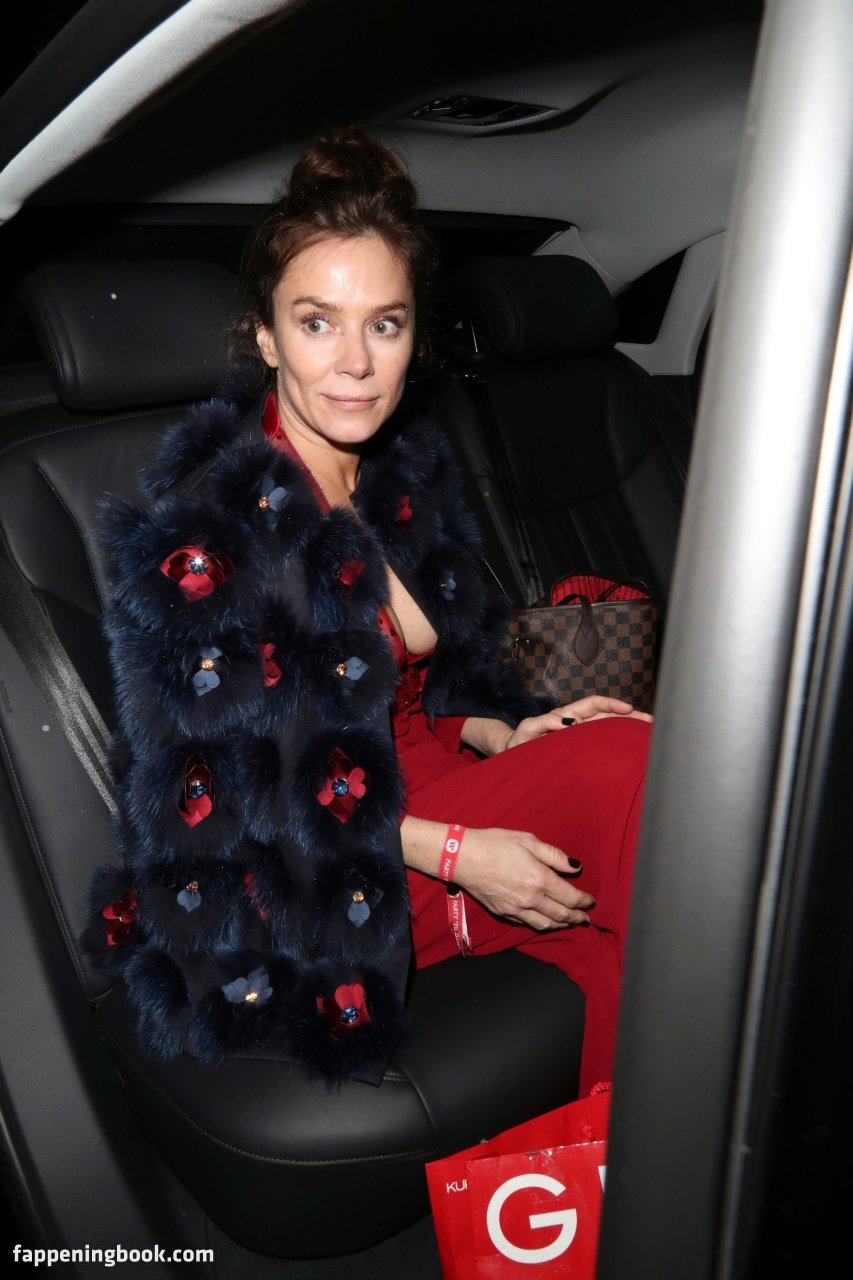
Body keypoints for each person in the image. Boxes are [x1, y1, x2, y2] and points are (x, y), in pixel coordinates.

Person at [84, 126, 651, 1094]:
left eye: (383, 325)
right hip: (303, 860)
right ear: (266, 335)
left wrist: (507, 733)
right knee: (637, 777)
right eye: (317, 323)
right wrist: (455, 851)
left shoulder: (398, 472)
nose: (354, 361)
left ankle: (634, 1171)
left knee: (625, 930)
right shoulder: (210, 535)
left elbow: (435, 674)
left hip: (415, 784)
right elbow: (234, 793)